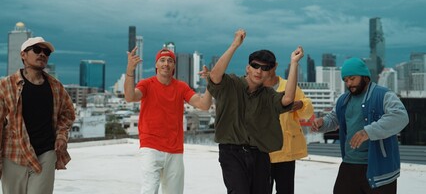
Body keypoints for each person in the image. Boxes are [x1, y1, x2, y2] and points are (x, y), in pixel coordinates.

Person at [207, 29, 304, 193]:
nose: (259, 71)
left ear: (270, 72)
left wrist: (294, 63)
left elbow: (287, 99)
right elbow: (215, 76)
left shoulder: (268, 95)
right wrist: (235, 44)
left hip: (260, 155)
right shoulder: (231, 84)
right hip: (231, 153)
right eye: (255, 66)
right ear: (248, 68)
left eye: (265, 68)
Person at [311, 57, 409, 194]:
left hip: (379, 168)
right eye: (346, 80)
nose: (349, 83)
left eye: (352, 78)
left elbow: (401, 117)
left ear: (364, 76)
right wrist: (322, 123)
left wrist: (368, 132)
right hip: (350, 164)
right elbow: (333, 119)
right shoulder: (343, 100)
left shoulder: (383, 94)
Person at [124, 47, 212, 194]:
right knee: (149, 190)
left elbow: (204, 105)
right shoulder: (147, 84)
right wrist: (130, 70)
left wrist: (211, 83)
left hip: (174, 149)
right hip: (150, 146)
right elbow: (130, 97)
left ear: (174, 67)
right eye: (162, 60)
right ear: (156, 65)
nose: (166, 63)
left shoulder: (181, 87)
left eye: (170, 61)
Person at [0, 37, 76, 194]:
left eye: (46, 52)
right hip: (14, 153)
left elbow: (67, 113)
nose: (42, 54)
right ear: (23, 55)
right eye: (36, 50)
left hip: (46, 153)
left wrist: (61, 136)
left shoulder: (56, 86)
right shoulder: (7, 85)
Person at [264, 60, 314, 194]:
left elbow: (307, 114)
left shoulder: (289, 86)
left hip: (285, 152)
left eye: (267, 66)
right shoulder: (253, 88)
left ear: (275, 65)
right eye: (259, 67)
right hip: (261, 153)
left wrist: (302, 104)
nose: (264, 70)